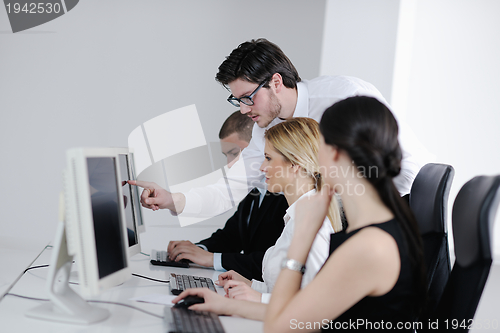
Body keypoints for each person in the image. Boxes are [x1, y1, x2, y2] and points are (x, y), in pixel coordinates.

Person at [131, 38, 429, 225]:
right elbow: (232, 186)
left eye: (248, 97)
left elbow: (409, 169)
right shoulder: (269, 126)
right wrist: (174, 200)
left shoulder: (344, 97)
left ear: (275, 82)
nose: (244, 110)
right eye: (237, 100)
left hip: (400, 213)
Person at [173, 118, 343, 318]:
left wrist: (257, 297)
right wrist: (251, 286)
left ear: (295, 164)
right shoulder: (295, 218)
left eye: (268, 158)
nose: (262, 168)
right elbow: (289, 288)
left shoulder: (311, 225)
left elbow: (316, 305)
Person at [164, 111, 289, 281]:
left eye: (235, 153)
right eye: (227, 155)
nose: (230, 164)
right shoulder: (253, 192)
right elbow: (231, 236)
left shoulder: (288, 196)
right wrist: (196, 249)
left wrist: (211, 259)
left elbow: (274, 261)